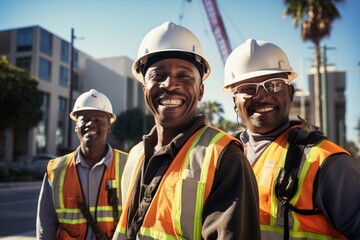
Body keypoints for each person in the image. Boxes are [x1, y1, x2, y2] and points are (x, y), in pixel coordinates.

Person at [112, 21, 260, 240]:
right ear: (144, 88)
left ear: (200, 91)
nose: (170, 84)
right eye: (158, 75)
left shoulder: (224, 158)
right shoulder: (135, 156)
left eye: (184, 76)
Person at [222, 38, 360, 239]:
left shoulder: (327, 163)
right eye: (248, 88)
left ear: (290, 92)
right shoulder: (222, 157)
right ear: (234, 99)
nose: (261, 96)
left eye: (274, 85)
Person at [36, 89, 128, 240]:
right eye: (84, 119)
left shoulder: (128, 165)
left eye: (99, 120)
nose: (91, 124)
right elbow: (46, 224)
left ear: (109, 127)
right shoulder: (57, 169)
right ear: (76, 126)